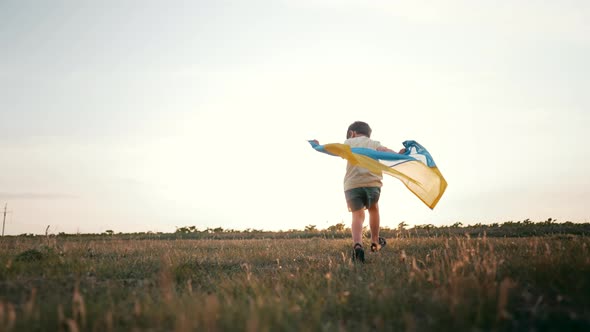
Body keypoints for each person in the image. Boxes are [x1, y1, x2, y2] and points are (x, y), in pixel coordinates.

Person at [342, 121, 405, 262]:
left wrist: (318, 146)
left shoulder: (348, 143)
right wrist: (398, 154)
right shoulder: (374, 143)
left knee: (357, 215)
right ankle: (375, 241)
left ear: (352, 133)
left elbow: (334, 149)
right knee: (373, 209)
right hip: (372, 184)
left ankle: (357, 245)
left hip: (352, 185)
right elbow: (385, 151)